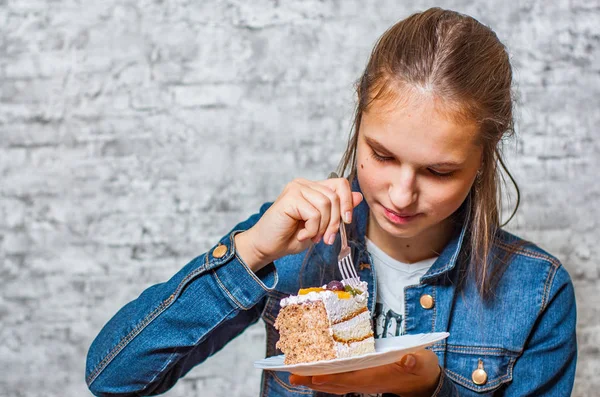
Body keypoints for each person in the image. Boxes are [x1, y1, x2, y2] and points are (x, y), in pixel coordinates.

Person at [85, 7, 577, 397]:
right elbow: (115, 377)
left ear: (482, 161)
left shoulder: (536, 291)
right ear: (359, 123)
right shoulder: (293, 247)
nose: (402, 194)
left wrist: (431, 390)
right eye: (382, 155)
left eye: (438, 171)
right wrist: (251, 253)